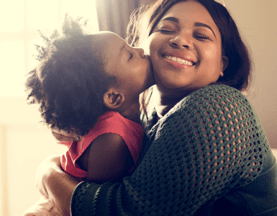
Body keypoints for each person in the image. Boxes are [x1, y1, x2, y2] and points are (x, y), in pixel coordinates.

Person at [32, 0, 277, 215]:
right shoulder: (146, 115)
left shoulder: (218, 108)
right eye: (166, 29)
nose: (180, 40)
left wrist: (48, 174)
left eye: (201, 35)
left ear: (222, 63)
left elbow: (127, 211)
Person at [23, 15, 154, 216]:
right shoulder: (112, 138)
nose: (140, 50)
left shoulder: (124, 119)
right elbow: (94, 206)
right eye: (129, 55)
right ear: (113, 97)